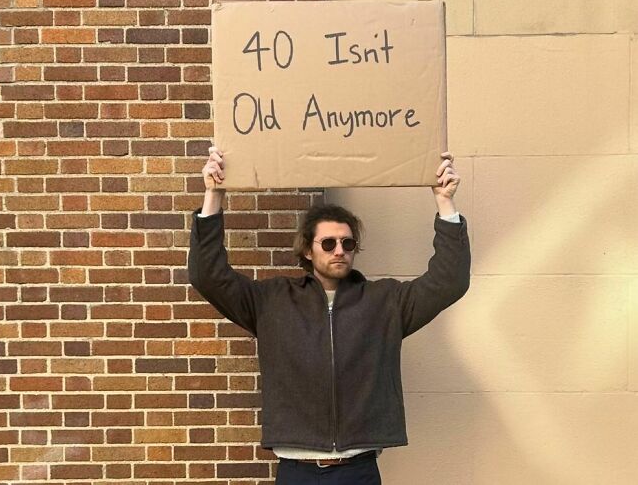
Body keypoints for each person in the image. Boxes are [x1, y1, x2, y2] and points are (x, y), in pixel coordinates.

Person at [189, 147, 470, 485]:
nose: (340, 250)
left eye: (348, 244)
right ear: (307, 249)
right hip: (297, 471)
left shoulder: (385, 302)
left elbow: (448, 280)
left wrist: (445, 202)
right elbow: (208, 275)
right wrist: (213, 195)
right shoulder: (272, 301)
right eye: (328, 244)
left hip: (358, 470)